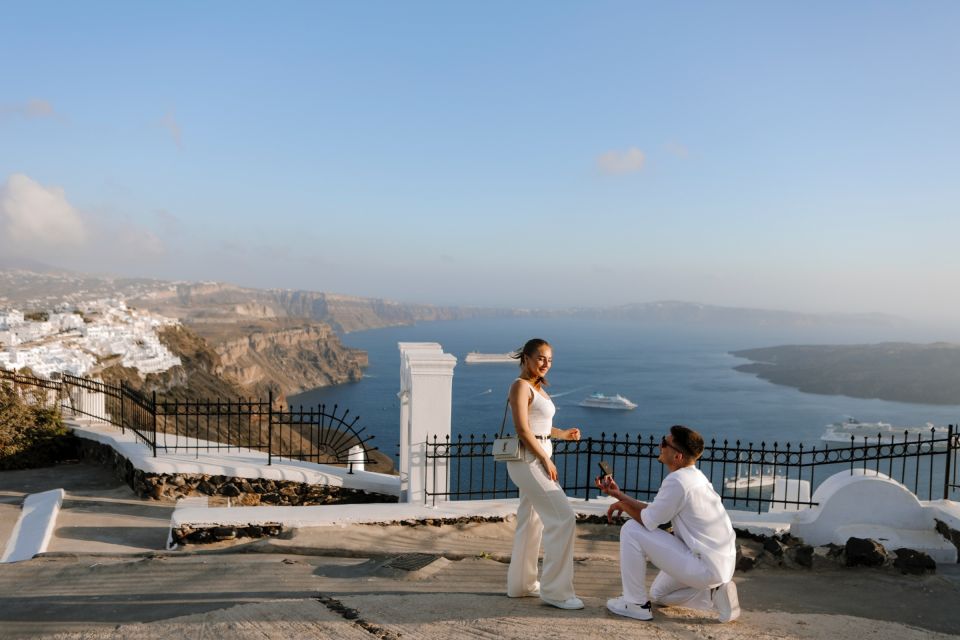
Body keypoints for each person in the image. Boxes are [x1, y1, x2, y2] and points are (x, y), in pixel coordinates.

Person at [595, 424, 740, 623]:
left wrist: (622, 504)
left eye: (665, 443)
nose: (660, 446)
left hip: (703, 566)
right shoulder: (694, 477)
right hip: (718, 565)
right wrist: (620, 496)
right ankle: (716, 596)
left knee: (631, 529)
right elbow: (656, 511)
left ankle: (635, 604)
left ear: (677, 456)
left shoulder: (678, 481)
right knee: (659, 595)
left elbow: (648, 521)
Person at [505, 338, 583, 609]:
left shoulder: (536, 387)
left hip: (536, 456)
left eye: (549, 359)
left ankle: (521, 585)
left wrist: (563, 434)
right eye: (540, 358)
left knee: (531, 522)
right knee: (563, 518)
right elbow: (522, 430)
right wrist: (545, 460)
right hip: (528, 460)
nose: (546, 363)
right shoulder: (520, 386)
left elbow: (539, 426)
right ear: (525, 358)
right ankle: (557, 592)